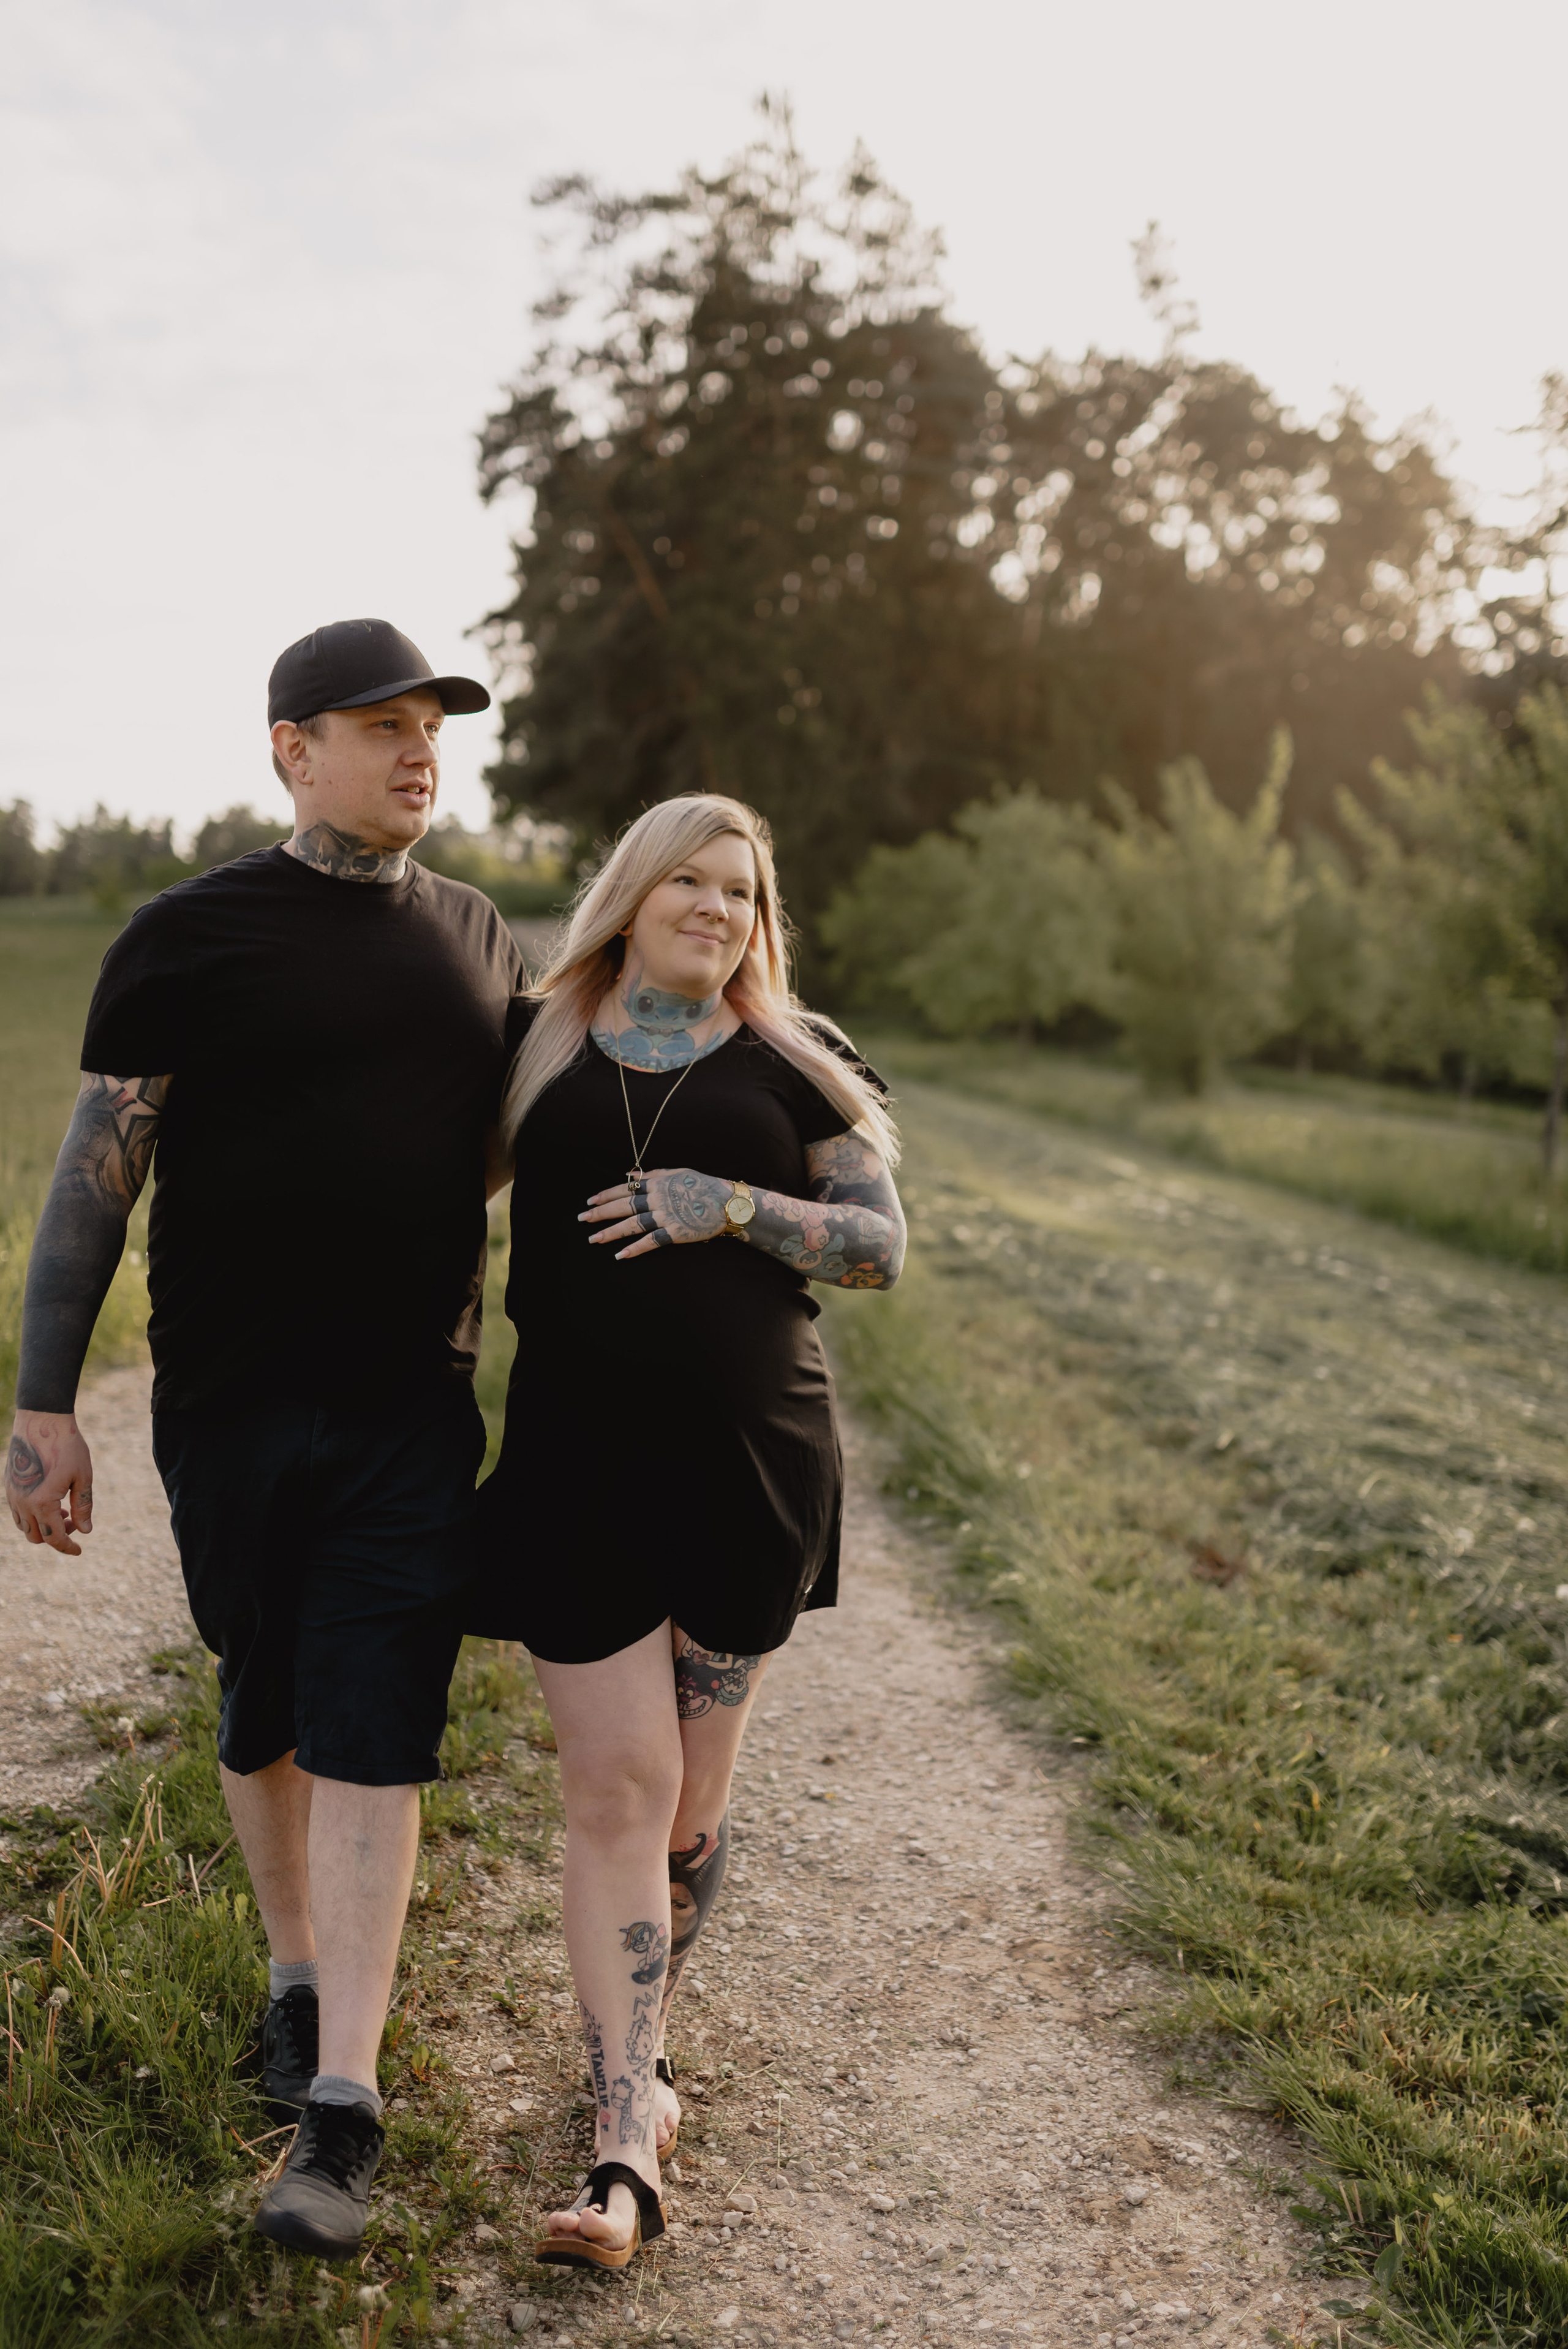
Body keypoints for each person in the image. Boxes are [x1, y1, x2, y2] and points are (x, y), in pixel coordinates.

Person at [3, 618, 522, 2261]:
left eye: (432, 724)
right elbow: (102, 1168)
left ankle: (343, 2109)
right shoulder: (187, 937)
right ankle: (294, 1975)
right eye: (380, 725)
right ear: (292, 748)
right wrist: (43, 1401)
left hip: (407, 1408)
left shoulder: (479, 935)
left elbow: (509, 1138)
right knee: (264, 1693)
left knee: (376, 1715)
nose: (418, 748)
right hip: (227, 1406)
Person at [468, 792, 906, 2269]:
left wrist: (724, 1202)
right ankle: (621, 2136)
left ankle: (638, 2051)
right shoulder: (535, 1040)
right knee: (615, 1794)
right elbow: (420, 1195)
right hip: (574, 1472)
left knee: (682, 1816)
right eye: (694, 883)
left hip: (750, 1471)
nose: (719, 910)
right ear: (634, 889)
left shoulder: (793, 1059)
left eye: (742, 893)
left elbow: (877, 1247)